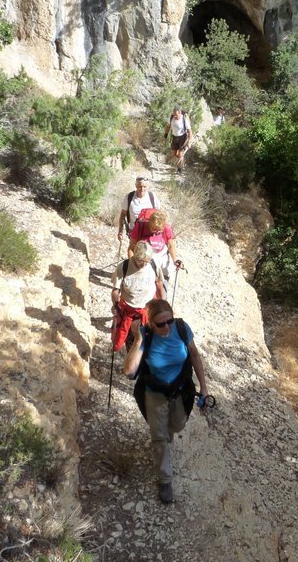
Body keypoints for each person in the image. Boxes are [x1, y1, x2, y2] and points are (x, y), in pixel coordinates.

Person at [124, 298, 209, 503]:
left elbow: (195, 355)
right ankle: (164, 479)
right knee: (159, 437)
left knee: (178, 425)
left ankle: (167, 430)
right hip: (154, 393)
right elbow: (129, 371)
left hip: (180, 390)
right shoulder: (144, 336)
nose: (166, 327)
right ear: (151, 323)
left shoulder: (181, 328)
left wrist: (204, 388)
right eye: (160, 324)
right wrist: (137, 340)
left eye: (169, 321)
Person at [110, 241, 165, 352]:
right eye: (141, 261)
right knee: (131, 343)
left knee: (150, 340)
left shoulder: (153, 264)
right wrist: (115, 304)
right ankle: (132, 364)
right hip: (128, 312)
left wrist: (163, 304)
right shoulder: (124, 267)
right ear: (134, 255)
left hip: (148, 310)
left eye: (147, 261)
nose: (144, 264)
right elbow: (116, 291)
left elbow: (159, 283)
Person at [127, 208, 181, 287]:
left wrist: (175, 260)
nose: (155, 233)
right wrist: (133, 264)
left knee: (167, 273)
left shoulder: (166, 228)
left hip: (161, 252)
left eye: (159, 231)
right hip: (144, 253)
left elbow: (170, 245)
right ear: (149, 222)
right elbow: (131, 248)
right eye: (153, 229)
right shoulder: (139, 227)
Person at [117, 177, 160, 241]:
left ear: (147, 186)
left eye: (144, 187)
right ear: (136, 186)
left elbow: (159, 215)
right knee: (134, 250)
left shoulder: (152, 197)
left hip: (149, 234)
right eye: (140, 186)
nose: (142, 189)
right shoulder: (129, 197)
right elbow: (123, 214)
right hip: (134, 233)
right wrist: (120, 231)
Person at [164, 105, 192, 173]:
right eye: (174, 115)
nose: (175, 116)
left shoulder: (184, 119)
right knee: (173, 154)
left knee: (180, 154)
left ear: (179, 113)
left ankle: (180, 169)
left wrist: (188, 141)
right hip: (174, 137)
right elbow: (168, 126)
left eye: (176, 115)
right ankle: (181, 160)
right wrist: (165, 135)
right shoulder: (171, 118)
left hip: (183, 138)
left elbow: (190, 132)